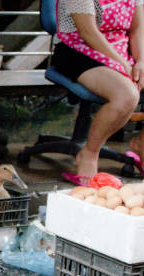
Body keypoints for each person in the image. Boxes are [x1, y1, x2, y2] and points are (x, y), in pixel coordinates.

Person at [52, 0, 144, 183]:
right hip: (79, 51)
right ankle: (89, 154)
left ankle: (141, 144)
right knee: (126, 96)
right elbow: (88, 32)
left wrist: (140, 62)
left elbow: (136, 29)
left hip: (120, 49)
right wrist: (124, 65)